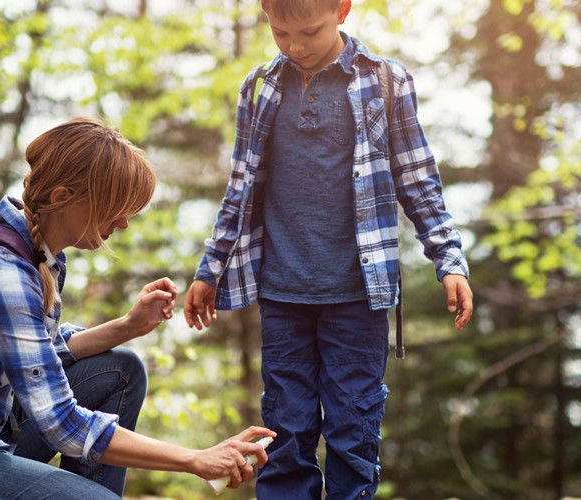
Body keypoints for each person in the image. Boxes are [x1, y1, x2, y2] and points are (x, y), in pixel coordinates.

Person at [0, 116, 276, 499]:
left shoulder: (38, 255)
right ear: (63, 196)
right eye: (117, 206)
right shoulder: (3, 269)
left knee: (120, 370)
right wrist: (195, 459)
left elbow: (44, 355)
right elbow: (60, 421)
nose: (125, 222)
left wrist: (128, 326)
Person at [182, 1, 475, 498]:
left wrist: (449, 259)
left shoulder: (386, 82)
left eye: (309, 32)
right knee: (285, 433)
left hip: (358, 298)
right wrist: (210, 270)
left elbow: (419, 181)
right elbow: (241, 189)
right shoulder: (259, 88)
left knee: (352, 432)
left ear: (342, 9)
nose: (295, 46)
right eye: (281, 33)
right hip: (282, 297)